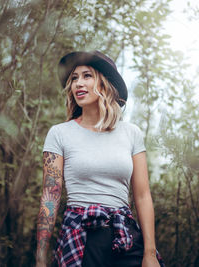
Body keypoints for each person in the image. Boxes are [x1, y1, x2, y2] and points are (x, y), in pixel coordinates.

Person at [35, 51, 165, 267]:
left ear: (104, 84)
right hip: (80, 235)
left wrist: (149, 253)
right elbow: (51, 196)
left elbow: (142, 195)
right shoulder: (59, 133)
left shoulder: (131, 133)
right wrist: (40, 256)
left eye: (87, 76)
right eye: (74, 78)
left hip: (125, 234)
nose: (78, 83)